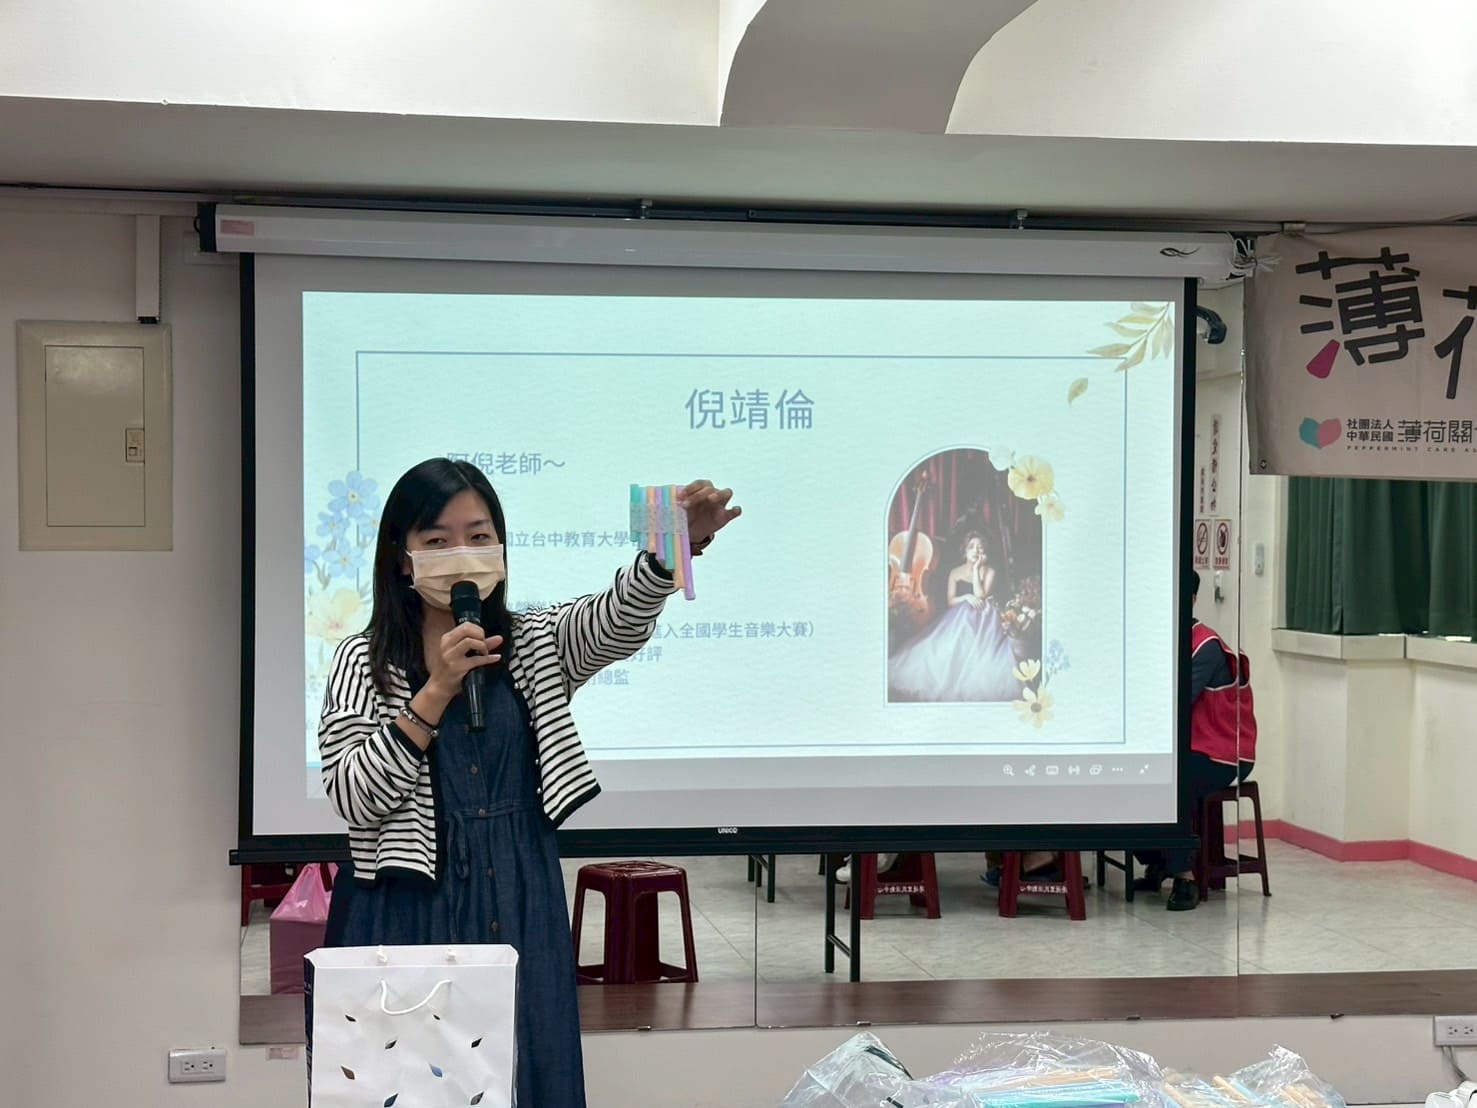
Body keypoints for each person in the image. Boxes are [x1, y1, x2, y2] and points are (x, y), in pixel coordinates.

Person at [318, 459, 739, 1107]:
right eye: (438, 540)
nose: (463, 553)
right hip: (406, 904)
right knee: (411, 1085)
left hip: (518, 891)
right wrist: (435, 692)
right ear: (404, 559)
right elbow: (352, 796)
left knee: (528, 1074)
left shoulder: (536, 642)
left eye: (479, 536)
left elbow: (615, 619)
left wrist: (670, 545)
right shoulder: (362, 660)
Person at [1135, 569, 1257, 911]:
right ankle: (1157, 861)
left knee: (1173, 782)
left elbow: (1176, 703)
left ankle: (1184, 876)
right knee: (1127, 777)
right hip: (1186, 748)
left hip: (1222, 753)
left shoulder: (1205, 646)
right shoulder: (1162, 640)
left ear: (1188, 600)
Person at [887, 532, 1020, 702]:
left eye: (980, 547)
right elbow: (951, 601)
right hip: (960, 614)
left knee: (978, 638)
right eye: (971, 547)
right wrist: (966, 597)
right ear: (964, 551)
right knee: (946, 641)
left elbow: (981, 595)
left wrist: (977, 568)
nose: (976, 550)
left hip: (985, 617)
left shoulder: (990, 571)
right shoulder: (955, 572)